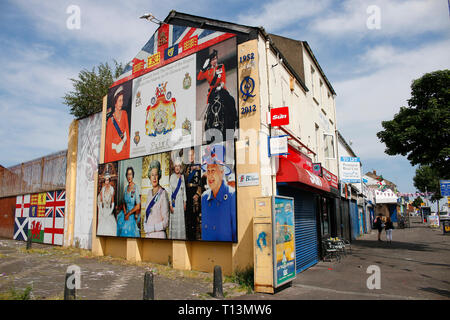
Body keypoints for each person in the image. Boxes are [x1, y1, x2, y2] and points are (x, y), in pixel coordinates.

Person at [197, 49, 237, 143]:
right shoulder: (208, 71)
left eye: (215, 59)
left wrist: (221, 86)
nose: (215, 61)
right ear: (210, 61)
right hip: (212, 92)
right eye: (213, 59)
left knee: (231, 100)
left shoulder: (220, 66)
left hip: (221, 89)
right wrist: (203, 68)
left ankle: (234, 119)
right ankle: (208, 127)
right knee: (208, 110)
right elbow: (199, 77)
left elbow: (223, 78)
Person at [200, 144, 236, 242]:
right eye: (208, 171)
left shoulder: (232, 196)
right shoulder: (204, 198)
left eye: (213, 170)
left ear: (222, 172)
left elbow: (235, 234)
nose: (210, 176)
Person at [143, 160, 170, 239]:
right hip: (148, 235)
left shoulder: (163, 193)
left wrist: (151, 228)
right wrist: (145, 224)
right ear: (149, 177)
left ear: (159, 175)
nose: (154, 178)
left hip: (159, 235)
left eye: (156, 175)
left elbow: (166, 222)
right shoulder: (149, 193)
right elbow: (147, 214)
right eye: (152, 175)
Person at [105, 85, 130, 162]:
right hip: (114, 152)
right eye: (119, 100)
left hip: (124, 150)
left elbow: (127, 132)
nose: (121, 103)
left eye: (122, 100)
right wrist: (116, 146)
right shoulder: (110, 120)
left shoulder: (124, 113)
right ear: (115, 102)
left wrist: (121, 144)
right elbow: (108, 142)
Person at [184, 147, 204, 240]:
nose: (190, 156)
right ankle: (189, 237)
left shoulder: (199, 166)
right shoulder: (186, 167)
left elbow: (201, 181)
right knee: (188, 217)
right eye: (189, 155)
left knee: (195, 217)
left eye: (192, 154)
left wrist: (198, 194)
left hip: (195, 192)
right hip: (187, 193)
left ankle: (196, 238)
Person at [116, 167, 141, 237]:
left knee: (126, 228)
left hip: (132, 213)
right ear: (126, 176)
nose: (129, 176)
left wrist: (128, 214)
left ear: (133, 175)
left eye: (130, 174)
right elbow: (124, 202)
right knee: (118, 223)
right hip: (125, 212)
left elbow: (138, 205)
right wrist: (124, 212)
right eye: (128, 174)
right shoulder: (126, 188)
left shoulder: (135, 188)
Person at [169, 158, 187, 239]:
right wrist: (170, 204)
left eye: (178, 166)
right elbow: (170, 191)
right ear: (174, 167)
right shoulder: (172, 177)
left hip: (180, 202)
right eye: (175, 166)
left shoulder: (182, 177)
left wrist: (185, 202)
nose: (177, 168)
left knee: (181, 221)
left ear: (180, 168)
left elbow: (184, 191)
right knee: (174, 222)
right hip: (174, 202)